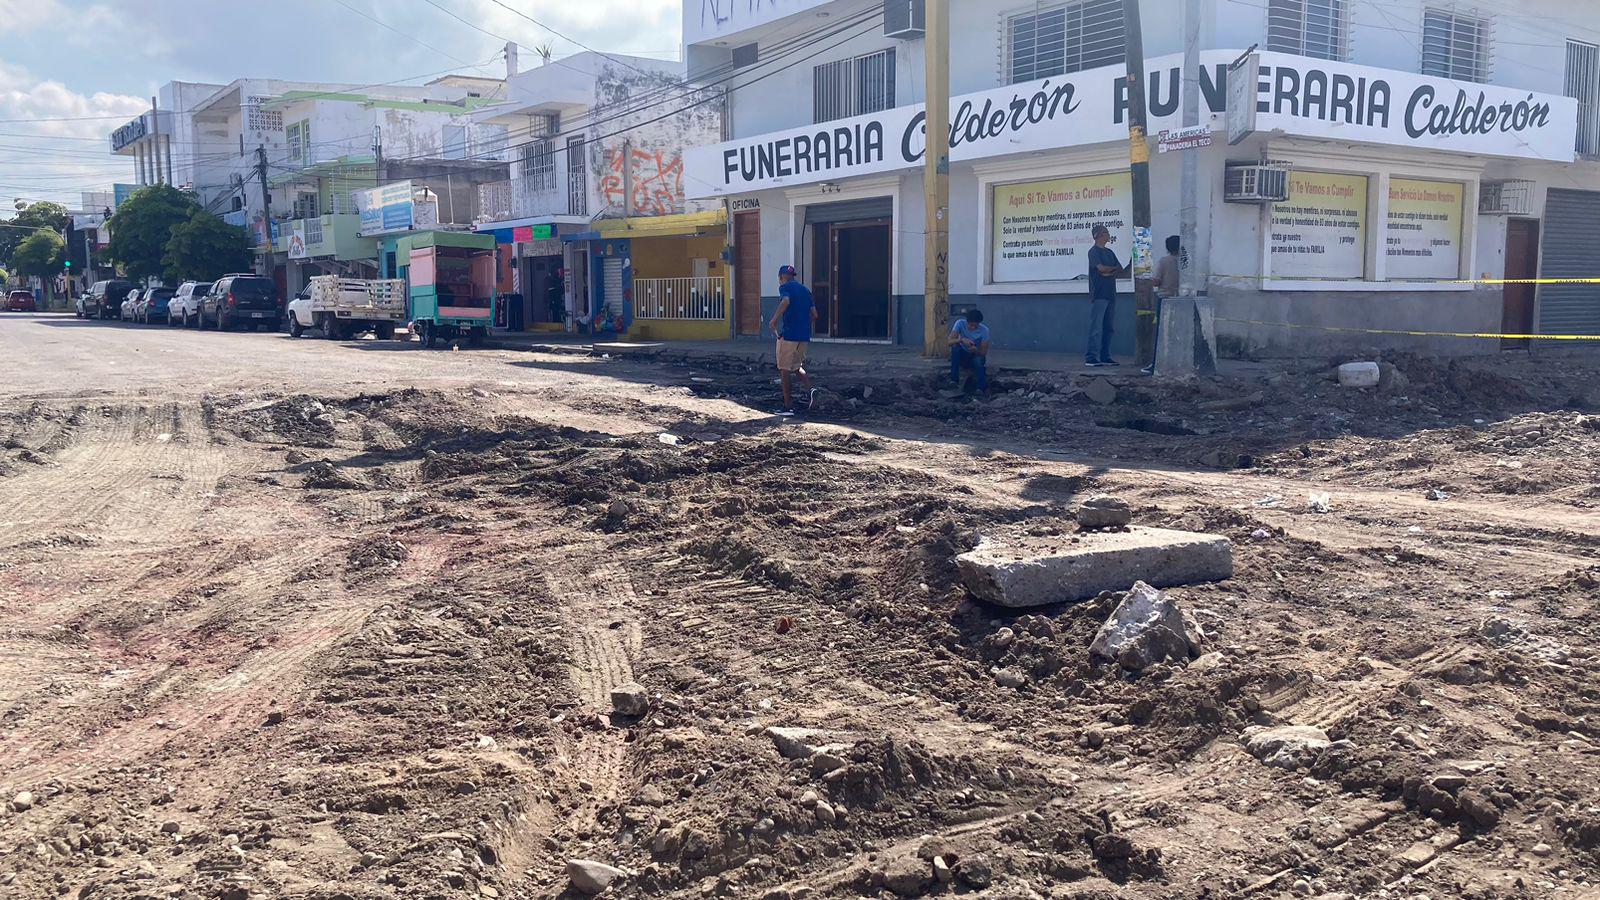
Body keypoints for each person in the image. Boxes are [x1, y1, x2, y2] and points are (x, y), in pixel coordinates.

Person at [767, 264, 817, 415]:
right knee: (796, 366)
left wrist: (773, 321)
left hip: (788, 335)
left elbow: (785, 301)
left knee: (784, 370)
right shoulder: (805, 290)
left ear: (781, 278)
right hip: (804, 336)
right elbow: (815, 315)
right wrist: (803, 324)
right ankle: (811, 389)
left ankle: (788, 406)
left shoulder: (785, 288)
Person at [1085, 223, 1127, 368]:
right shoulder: (1093, 252)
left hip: (1111, 294)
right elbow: (1101, 269)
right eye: (1106, 232)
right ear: (1099, 235)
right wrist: (1109, 271)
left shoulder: (1110, 253)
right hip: (1099, 294)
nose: (1108, 235)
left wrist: (1109, 271)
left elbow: (1120, 269)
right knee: (1096, 327)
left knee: (1109, 328)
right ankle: (1091, 357)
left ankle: (1105, 356)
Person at [1144, 235, 1181, 376]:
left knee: (1161, 334)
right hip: (1181, 300)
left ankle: (1155, 365)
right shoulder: (1185, 262)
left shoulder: (1164, 261)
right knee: (1176, 334)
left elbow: (1156, 281)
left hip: (1164, 299)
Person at [947, 308, 990, 394]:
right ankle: (954, 380)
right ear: (967, 321)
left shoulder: (984, 330)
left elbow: (984, 352)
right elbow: (949, 342)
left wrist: (976, 350)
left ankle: (981, 388)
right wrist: (961, 340)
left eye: (975, 325)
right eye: (970, 325)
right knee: (955, 348)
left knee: (978, 361)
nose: (972, 327)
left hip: (975, 355)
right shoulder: (960, 323)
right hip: (962, 354)